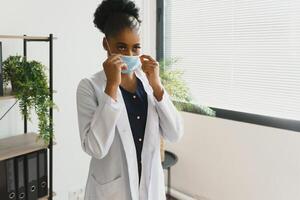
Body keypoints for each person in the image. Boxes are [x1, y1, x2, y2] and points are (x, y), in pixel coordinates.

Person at [76, 0, 183, 199]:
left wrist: (158, 87)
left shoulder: (149, 83)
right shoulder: (89, 86)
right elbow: (95, 148)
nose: (130, 54)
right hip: (113, 191)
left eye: (136, 48)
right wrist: (111, 87)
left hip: (150, 188)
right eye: (122, 47)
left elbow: (174, 134)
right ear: (106, 44)